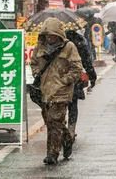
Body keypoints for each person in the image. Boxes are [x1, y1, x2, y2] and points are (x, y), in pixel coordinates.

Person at [30, 18, 83, 165]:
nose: (49, 38)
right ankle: (67, 139)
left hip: (61, 92)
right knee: (50, 121)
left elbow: (77, 68)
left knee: (54, 120)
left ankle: (52, 153)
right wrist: (36, 73)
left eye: (52, 35)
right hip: (44, 90)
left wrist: (64, 80)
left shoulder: (69, 47)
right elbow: (33, 63)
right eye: (47, 35)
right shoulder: (40, 47)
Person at [65, 30, 97, 140]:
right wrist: (92, 76)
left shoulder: (54, 42)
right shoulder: (79, 42)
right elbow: (87, 61)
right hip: (74, 79)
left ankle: (63, 129)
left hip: (58, 80)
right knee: (73, 105)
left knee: (59, 105)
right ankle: (71, 129)